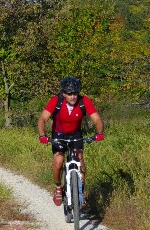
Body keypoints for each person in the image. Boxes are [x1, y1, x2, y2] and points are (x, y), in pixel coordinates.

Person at [37, 76, 104, 206]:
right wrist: (42, 135)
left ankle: (80, 191)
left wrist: (99, 133)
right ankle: (58, 187)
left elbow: (97, 119)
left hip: (76, 135)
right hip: (59, 135)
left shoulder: (84, 101)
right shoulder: (56, 101)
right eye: (69, 94)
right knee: (58, 161)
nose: (73, 96)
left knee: (80, 161)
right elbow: (42, 119)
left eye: (75, 93)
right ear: (63, 93)